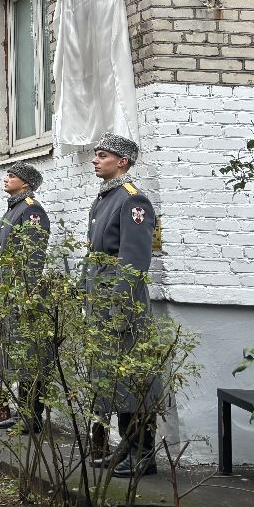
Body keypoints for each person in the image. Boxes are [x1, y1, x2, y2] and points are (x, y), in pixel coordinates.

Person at [86, 134, 160, 478]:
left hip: (122, 303)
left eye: (102, 155)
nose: (95, 160)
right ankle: (127, 446)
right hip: (102, 299)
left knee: (132, 377)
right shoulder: (105, 199)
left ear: (123, 162)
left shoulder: (133, 201)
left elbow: (133, 261)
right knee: (112, 378)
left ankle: (144, 452)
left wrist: (118, 306)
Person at [0, 162, 51, 435]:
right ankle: (24, 411)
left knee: (29, 357)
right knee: (15, 356)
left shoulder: (31, 210)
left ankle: (32, 415)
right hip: (9, 293)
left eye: (12, 176)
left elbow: (33, 258)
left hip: (22, 296)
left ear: (26, 183)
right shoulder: (14, 209)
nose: (7, 179)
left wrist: (21, 294)